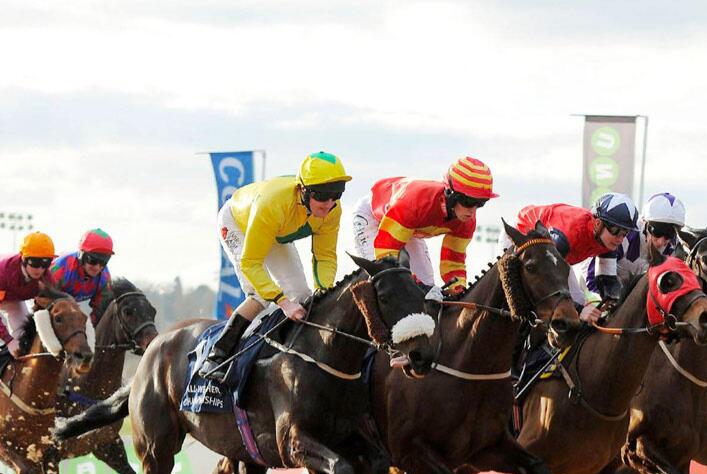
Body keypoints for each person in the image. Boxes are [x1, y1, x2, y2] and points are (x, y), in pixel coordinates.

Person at [199, 151, 352, 380]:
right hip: (238, 223)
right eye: (323, 195)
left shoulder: (332, 210)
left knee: (302, 295)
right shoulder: (273, 205)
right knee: (259, 295)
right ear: (304, 191)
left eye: (337, 194)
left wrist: (325, 291)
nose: (330, 203)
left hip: (276, 232)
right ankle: (217, 354)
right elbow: (251, 263)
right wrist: (282, 302)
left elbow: (325, 257)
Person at [351, 156, 498, 293]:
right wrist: (415, 285)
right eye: (468, 202)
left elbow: (453, 262)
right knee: (386, 280)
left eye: (480, 203)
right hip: (372, 217)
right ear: (450, 193)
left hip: (407, 227)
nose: (472, 211)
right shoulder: (417, 204)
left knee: (428, 285)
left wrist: (457, 290)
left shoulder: (466, 221)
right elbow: (386, 252)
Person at [512, 192, 639, 324]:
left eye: (625, 232)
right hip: (519, 235)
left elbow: (606, 280)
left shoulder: (608, 240)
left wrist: (614, 302)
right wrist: (578, 309)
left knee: (581, 304)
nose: (620, 238)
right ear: (598, 224)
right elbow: (550, 282)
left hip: (558, 259)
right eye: (615, 230)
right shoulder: (568, 236)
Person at [0, 231, 56, 366]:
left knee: (23, 332)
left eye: (46, 263)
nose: (40, 269)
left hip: (11, 294)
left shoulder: (46, 278)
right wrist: (9, 341)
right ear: (23, 258)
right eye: (35, 262)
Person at [576, 192, 685, 302]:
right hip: (591, 287)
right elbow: (592, 277)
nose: (661, 242)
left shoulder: (674, 248)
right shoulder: (625, 236)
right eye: (656, 232)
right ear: (644, 223)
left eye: (669, 235)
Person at [49, 228, 114, 325]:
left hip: (68, 304)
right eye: (93, 260)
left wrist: (88, 329)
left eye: (103, 261)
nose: (97, 267)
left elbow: (100, 311)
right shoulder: (61, 269)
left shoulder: (104, 278)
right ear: (81, 254)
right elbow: (44, 301)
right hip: (39, 296)